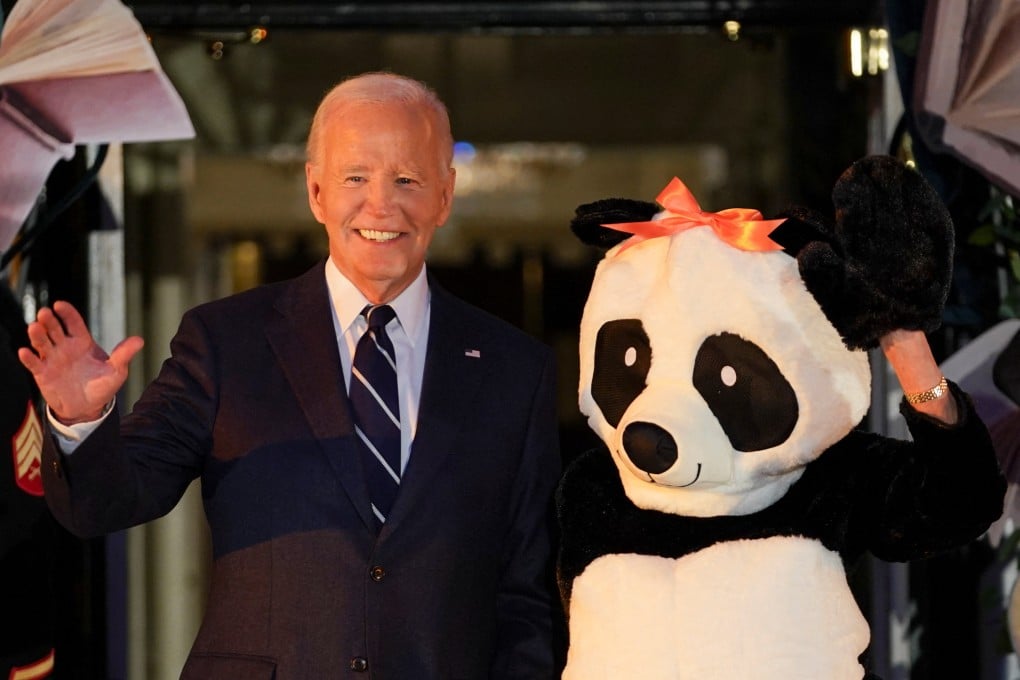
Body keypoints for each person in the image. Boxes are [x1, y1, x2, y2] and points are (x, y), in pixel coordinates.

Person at [18, 72, 564, 678]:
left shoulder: (516, 369)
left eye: (407, 179)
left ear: (445, 195)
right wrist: (81, 420)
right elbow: (105, 505)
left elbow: (527, 595)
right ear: (316, 191)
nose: (381, 205)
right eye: (355, 177)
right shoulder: (226, 341)